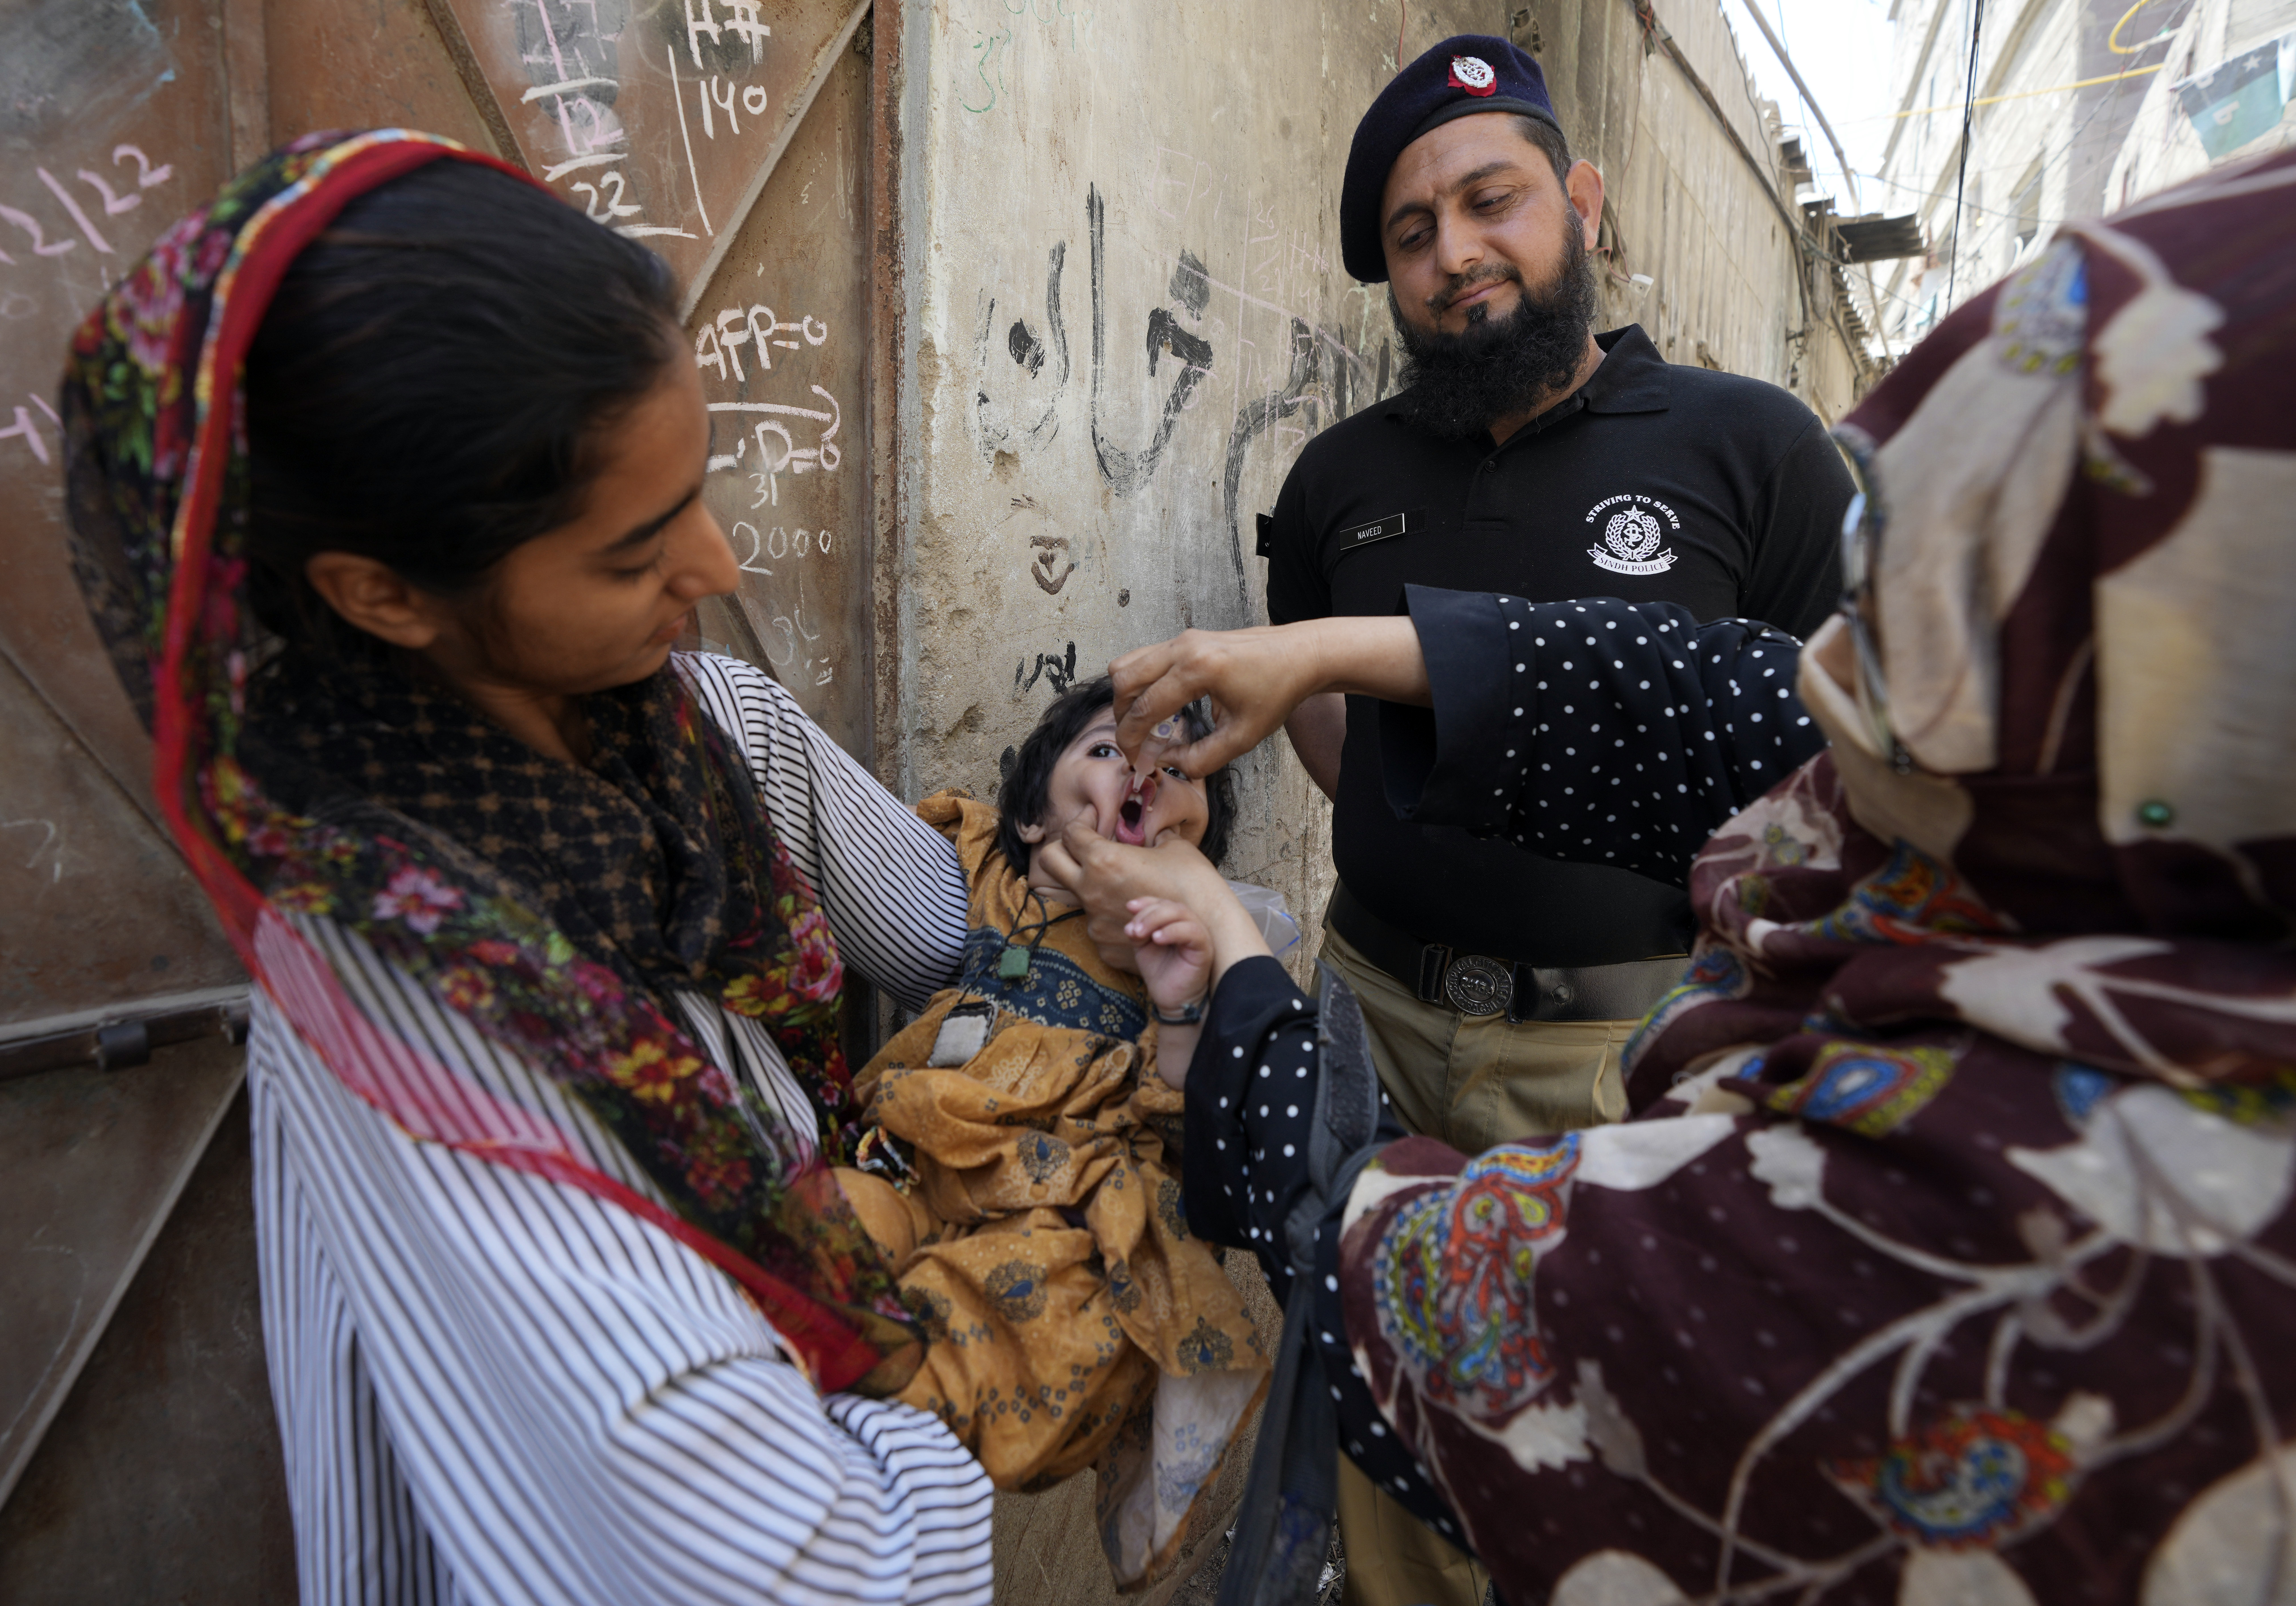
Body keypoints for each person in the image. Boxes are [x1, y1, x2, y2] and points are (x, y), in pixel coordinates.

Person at [1054, 148, 2296, 1604]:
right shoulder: (2138, 853)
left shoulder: (2012, 1220)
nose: (1832, 691)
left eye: (1941, 596)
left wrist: (1231, 958)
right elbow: (1701, 693)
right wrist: (1325, 652)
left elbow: (1401, 1290)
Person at [62, 131, 993, 1605]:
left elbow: (947, 931)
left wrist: (1105, 871)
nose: (719, 569)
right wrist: (1011, 1338)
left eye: (699, 488)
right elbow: (806, 1573)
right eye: (634, 552)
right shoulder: (403, 988)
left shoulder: (706, 726)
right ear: (382, 594)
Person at [1262, 35, 1852, 1601]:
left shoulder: (1752, 448)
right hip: (1375, 1023)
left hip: (1619, 1056)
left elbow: (1828, 763)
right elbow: (1320, 722)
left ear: (1582, 203)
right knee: (1382, 1437)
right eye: (1411, 233)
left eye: (1489, 200)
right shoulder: (1338, 478)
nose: (1456, 254)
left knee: (1604, 1478)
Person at [835, 678, 1267, 1589]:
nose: (1143, 767)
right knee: (838, 1219)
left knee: (1038, 1303)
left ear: (1194, 854)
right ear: (1033, 821)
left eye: (1178, 766)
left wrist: (1180, 994)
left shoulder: (1193, 948)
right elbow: (885, 834)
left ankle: (886, 1434)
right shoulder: (995, 876)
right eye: (1111, 749)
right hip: (919, 1163)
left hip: (1058, 1199)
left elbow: (1198, 1123)